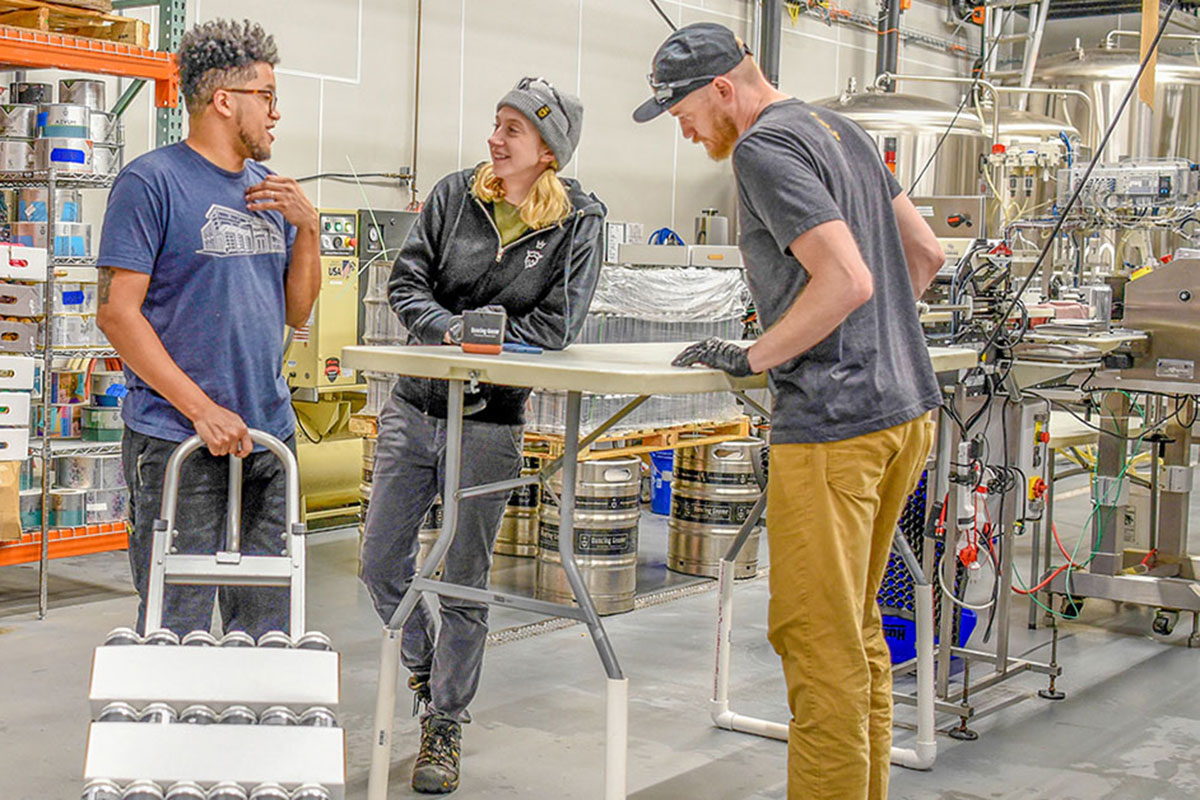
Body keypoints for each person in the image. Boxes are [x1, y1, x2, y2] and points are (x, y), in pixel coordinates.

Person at [634, 22, 945, 800]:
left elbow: (846, 280)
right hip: (905, 412)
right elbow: (925, 256)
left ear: (724, 90)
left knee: (816, 642)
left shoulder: (761, 149)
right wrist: (876, 345)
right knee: (855, 629)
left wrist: (755, 354)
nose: (682, 123)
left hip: (837, 426)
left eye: (682, 108)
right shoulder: (841, 127)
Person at [360, 76, 605, 794]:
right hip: (414, 409)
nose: (495, 139)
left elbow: (559, 324)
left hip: (493, 420)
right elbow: (408, 286)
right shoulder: (451, 196)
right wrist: (453, 332)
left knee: (466, 580)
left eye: (513, 129)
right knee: (381, 564)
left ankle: (445, 725)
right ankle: (424, 663)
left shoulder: (577, 221)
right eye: (495, 123)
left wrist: (487, 349)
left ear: (548, 150)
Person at [96, 19, 320, 639]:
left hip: (267, 437)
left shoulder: (268, 193)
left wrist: (309, 230)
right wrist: (201, 411)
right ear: (225, 101)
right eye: (267, 96)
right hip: (180, 440)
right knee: (177, 623)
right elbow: (117, 312)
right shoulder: (151, 183)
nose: (276, 113)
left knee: (270, 626)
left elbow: (295, 314)